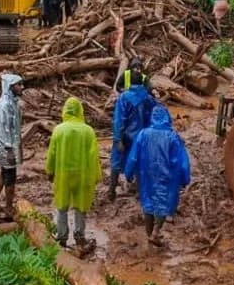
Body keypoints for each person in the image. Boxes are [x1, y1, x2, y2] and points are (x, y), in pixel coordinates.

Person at [125, 104, 191, 247]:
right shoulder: (172, 137)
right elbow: (182, 161)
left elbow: (133, 156)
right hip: (166, 176)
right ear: (167, 117)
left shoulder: (143, 134)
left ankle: (150, 235)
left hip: (146, 175)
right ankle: (155, 233)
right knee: (162, 203)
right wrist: (185, 178)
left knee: (148, 202)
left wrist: (128, 172)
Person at [46, 97, 101, 250]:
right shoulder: (88, 131)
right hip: (83, 174)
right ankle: (79, 235)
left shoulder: (59, 130)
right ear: (80, 111)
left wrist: (50, 171)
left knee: (62, 205)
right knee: (81, 205)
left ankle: (62, 236)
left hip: (63, 173)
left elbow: (52, 153)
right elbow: (93, 155)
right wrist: (96, 175)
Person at [0, 73, 24, 217]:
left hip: (7, 145)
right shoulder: (4, 106)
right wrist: (9, 150)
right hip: (5, 147)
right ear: (10, 87)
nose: (22, 87)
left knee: (4, 173)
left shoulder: (11, 103)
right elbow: (3, 129)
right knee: (10, 178)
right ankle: (8, 208)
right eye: (18, 85)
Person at [108, 82, 156, 201]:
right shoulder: (148, 99)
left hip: (124, 135)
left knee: (116, 161)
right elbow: (153, 117)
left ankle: (111, 191)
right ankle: (140, 191)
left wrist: (118, 138)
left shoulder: (124, 97)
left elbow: (119, 119)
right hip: (142, 137)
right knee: (140, 163)